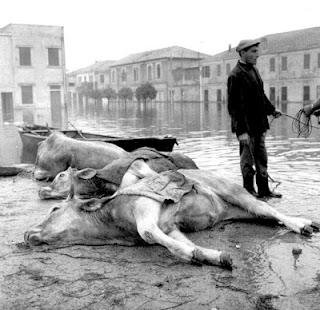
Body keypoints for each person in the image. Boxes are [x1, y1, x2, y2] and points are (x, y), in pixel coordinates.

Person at [227, 39, 282, 199]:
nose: (257, 55)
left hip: (260, 125)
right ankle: (249, 193)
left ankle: (264, 191)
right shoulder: (235, 75)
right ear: (242, 52)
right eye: (253, 52)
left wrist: (272, 110)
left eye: (257, 51)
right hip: (246, 128)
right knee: (247, 162)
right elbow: (234, 107)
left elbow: (260, 96)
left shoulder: (254, 70)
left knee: (262, 159)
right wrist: (241, 131)